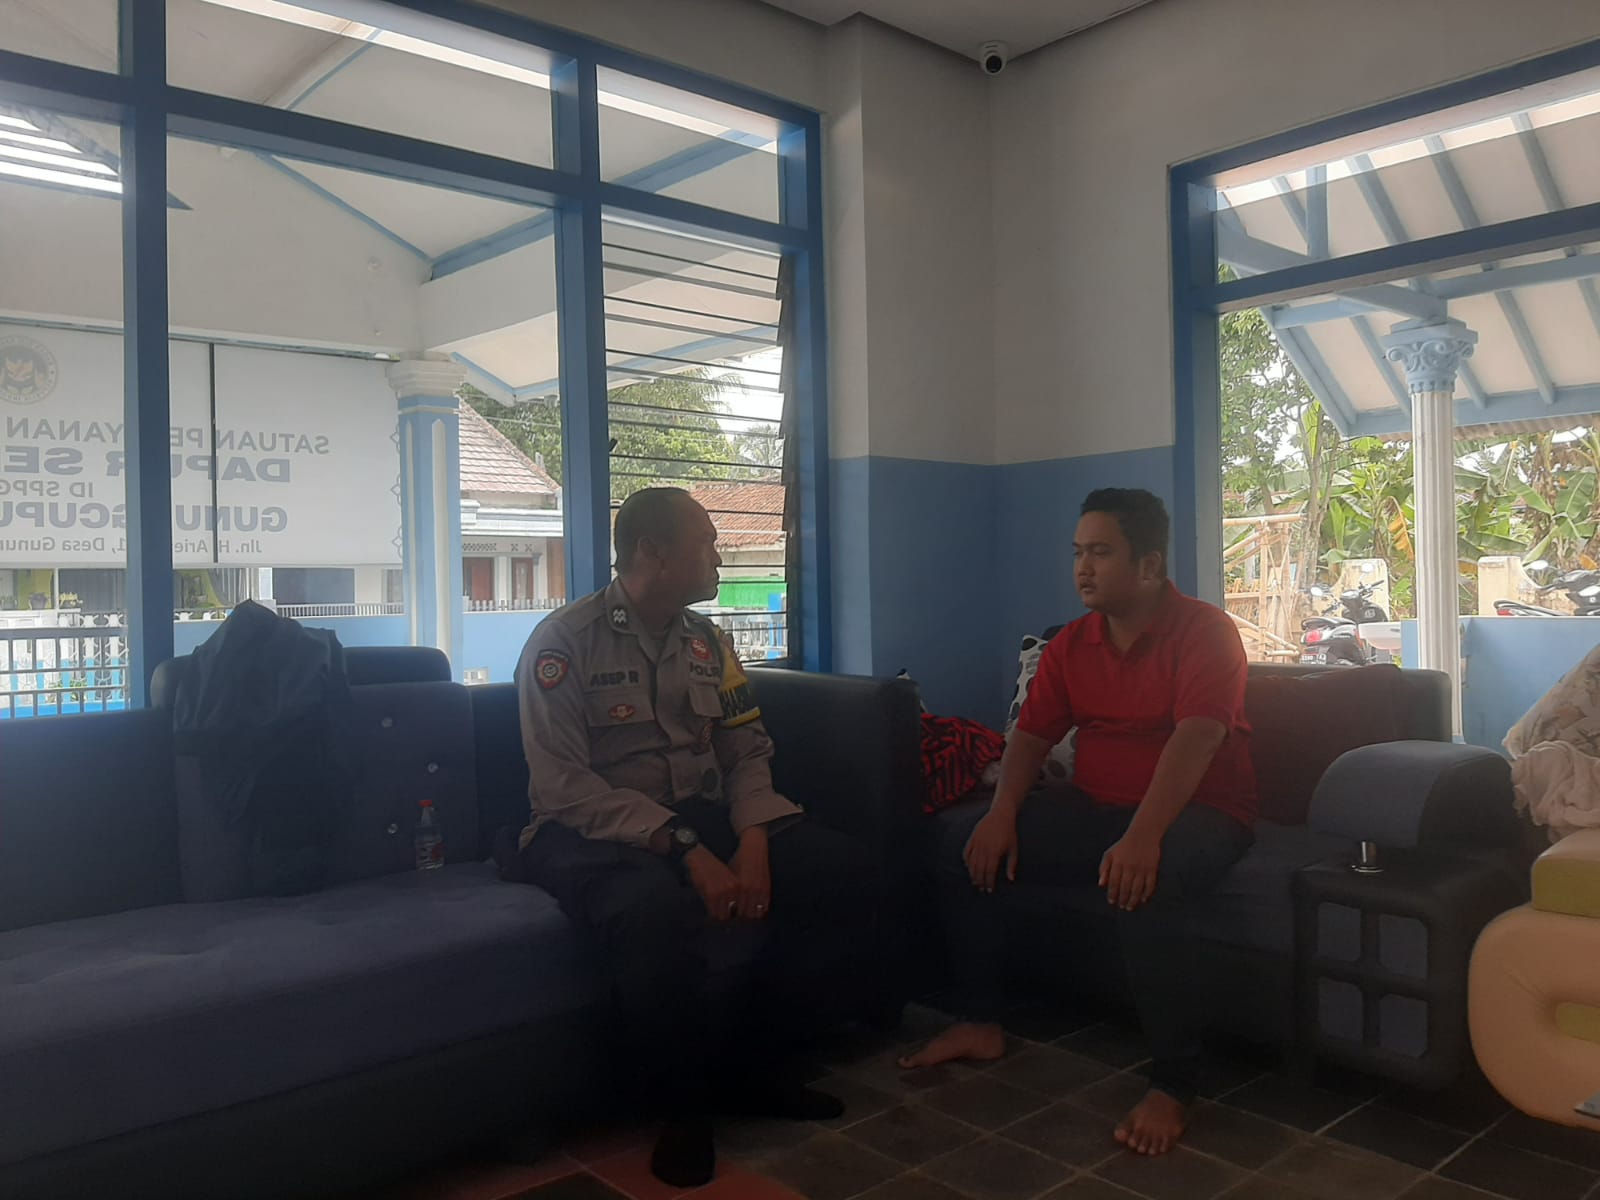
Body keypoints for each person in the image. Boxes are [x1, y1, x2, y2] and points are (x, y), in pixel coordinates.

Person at [509, 486, 877, 1188]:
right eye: (706, 542)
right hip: (588, 828)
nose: (718, 556)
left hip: (694, 813)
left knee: (840, 870)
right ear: (654, 552)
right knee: (651, 911)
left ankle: (751, 1068)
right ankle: (681, 1109)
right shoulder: (563, 643)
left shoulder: (708, 642)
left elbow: (747, 750)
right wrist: (685, 847)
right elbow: (563, 785)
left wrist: (755, 837)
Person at [899, 488, 1257, 1156]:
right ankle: (980, 1021)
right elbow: (1032, 737)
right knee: (961, 843)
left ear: (1148, 565)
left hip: (1202, 811)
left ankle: (1174, 1083)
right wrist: (1002, 813)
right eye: (1077, 553)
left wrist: (1143, 837)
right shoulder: (1072, 643)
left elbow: (1199, 736)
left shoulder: (1205, 631)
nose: (1082, 569)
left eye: (1100, 552)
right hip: (1096, 805)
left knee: (1148, 881)